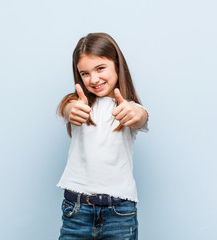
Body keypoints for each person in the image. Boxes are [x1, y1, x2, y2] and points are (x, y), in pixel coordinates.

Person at [57, 32, 149, 240]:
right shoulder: (78, 104)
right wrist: (71, 108)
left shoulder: (129, 108)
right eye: (85, 73)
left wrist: (138, 114)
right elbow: (66, 108)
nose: (94, 79)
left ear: (117, 64)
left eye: (100, 68)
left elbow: (141, 116)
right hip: (77, 210)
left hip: (120, 213)